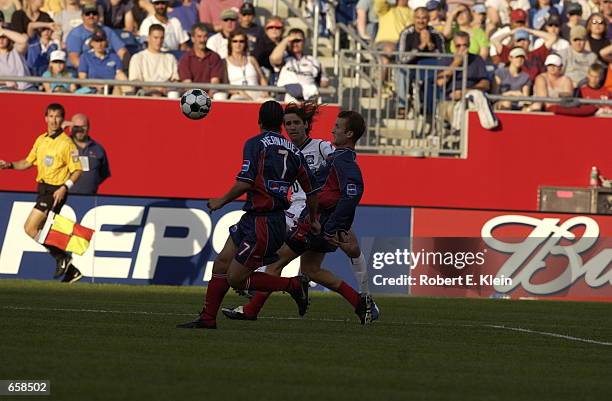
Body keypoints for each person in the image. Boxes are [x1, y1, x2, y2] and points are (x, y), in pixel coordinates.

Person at [222, 103, 378, 324]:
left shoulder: (323, 147)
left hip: (309, 216)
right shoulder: (283, 149)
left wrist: (337, 220)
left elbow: (344, 167)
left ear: (306, 125)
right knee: (311, 270)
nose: (292, 127)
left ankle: (250, 295)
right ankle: (360, 303)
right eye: (288, 124)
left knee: (274, 258)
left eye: (297, 123)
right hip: (305, 213)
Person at [176, 100, 320, 330]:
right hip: (256, 218)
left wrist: (220, 201)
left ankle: (293, 285)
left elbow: (246, 181)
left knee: (236, 279)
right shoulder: (294, 151)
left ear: (259, 121)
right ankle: (207, 318)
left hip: (264, 221)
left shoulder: (255, 143)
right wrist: (313, 220)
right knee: (222, 263)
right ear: (281, 124)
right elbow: (312, 190)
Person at [0, 103, 83, 283]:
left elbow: (78, 170)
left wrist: (64, 187)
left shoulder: (67, 144)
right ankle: (70, 269)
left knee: (31, 227)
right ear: (45, 118)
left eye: (58, 116)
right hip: (42, 189)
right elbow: (28, 162)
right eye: (51, 116)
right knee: (35, 230)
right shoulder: (41, 140)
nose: (54, 120)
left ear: (62, 120)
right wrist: (9, 165)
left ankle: (63, 258)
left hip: (55, 191)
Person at [272, 28, 329, 102]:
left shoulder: (314, 61)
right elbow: (274, 59)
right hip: (286, 100)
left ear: (304, 41)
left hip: (309, 101)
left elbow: (324, 83)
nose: (295, 44)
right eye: (292, 41)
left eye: (298, 41)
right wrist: (287, 39)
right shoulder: (283, 57)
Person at [66, 3, 127, 68]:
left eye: (94, 13)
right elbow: (74, 58)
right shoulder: (76, 33)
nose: (91, 16)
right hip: (85, 70)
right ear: (82, 17)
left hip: (108, 68)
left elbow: (122, 51)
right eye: (87, 14)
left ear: (98, 16)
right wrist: (88, 71)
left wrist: (119, 69)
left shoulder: (107, 31)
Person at [64, 113, 111, 194]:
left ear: (88, 128)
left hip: (90, 199)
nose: (80, 130)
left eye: (83, 127)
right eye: (76, 127)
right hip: (64, 197)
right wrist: (59, 130)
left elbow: (103, 174)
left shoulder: (98, 149)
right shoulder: (63, 146)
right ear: (70, 128)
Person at [129, 24, 179, 96]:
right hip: (146, 94)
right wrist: (155, 88)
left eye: (161, 38)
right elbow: (136, 82)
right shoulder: (137, 58)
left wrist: (167, 89)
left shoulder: (170, 58)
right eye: (155, 38)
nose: (159, 41)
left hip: (167, 93)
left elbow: (175, 80)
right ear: (148, 38)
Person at [178, 23, 224, 97]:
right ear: (193, 38)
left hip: (211, 97)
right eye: (199, 36)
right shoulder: (185, 59)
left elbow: (215, 83)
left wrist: (207, 99)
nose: (202, 40)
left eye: (205, 36)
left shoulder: (214, 57)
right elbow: (187, 85)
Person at [492, 27, 556, 81]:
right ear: (514, 43)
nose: (522, 43)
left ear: (529, 42)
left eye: (524, 40)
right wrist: (511, 32)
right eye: (519, 40)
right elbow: (495, 40)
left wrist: (530, 31)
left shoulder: (536, 54)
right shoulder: (509, 54)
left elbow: (552, 38)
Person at [78, 28, 129, 93]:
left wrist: (107, 86)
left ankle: (130, 97)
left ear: (106, 42)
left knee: (121, 75)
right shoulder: (85, 56)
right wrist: (96, 85)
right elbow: (82, 79)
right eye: (97, 41)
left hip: (112, 90)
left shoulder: (114, 57)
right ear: (92, 43)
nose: (99, 44)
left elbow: (119, 75)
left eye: (102, 40)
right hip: (92, 90)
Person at [225, 30, 268, 100]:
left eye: (241, 41)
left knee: (271, 103)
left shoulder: (251, 59)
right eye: (235, 41)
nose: (238, 44)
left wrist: (265, 91)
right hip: (238, 94)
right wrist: (239, 91)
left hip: (257, 92)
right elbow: (224, 85)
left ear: (245, 43)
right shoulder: (225, 62)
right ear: (230, 43)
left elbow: (262, 78)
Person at [0, 23, 36, 90]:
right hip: (5, 90)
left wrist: (3, 31)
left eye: (4, 37)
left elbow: (24, 40)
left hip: (26, 88)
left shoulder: (16, 49)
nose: (1, 40)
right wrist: (5, 82)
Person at [251, 15, 283, 83]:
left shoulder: (286, 43)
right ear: (266, 30)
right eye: (271, 27)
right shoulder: (260, 43)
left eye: (278, 27)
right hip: (266, 76)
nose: (274, 29)